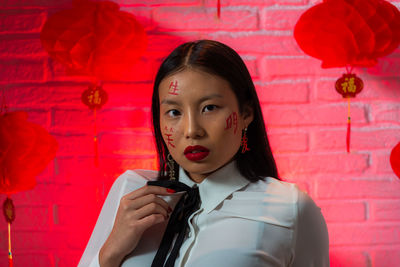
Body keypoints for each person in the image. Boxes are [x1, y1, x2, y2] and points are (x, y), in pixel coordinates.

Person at [78, 40, 329, 267]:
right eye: (174, 112)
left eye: (209, 108)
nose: (191, 130)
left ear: (246, 114)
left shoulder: (290, 208)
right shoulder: (131, 190)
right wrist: (111, 252)